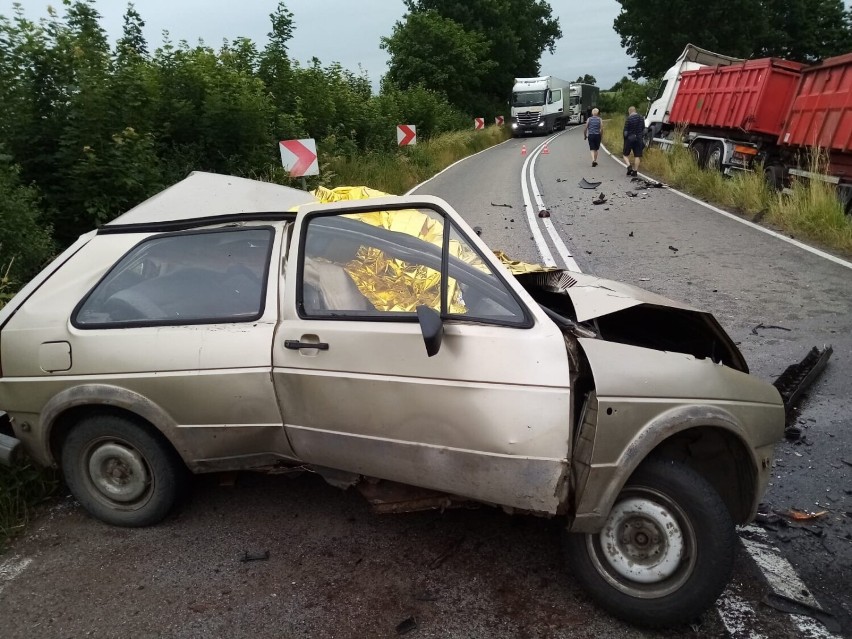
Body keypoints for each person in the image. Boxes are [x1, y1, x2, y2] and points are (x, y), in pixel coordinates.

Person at [622, 106, 645, 176]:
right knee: (637, 155)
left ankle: (629, 167)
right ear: (635, 111)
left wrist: (625, 138)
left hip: (630, 139)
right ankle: (635, 171)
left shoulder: (628, 119)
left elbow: (625, 132)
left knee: (625, 155)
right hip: (638, 139)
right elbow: (643, 128)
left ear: (629, 111)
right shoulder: (641, 118)